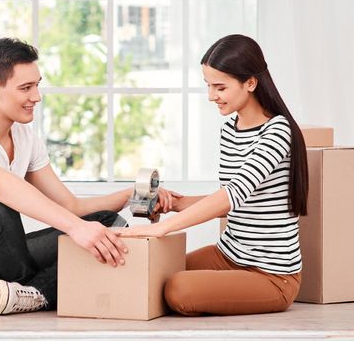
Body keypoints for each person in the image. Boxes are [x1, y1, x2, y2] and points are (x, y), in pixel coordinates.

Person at [0, 37, 174, 315]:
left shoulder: (25, 136)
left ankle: (34, 294)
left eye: (37, 86)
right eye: (26, 88)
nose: (36, 96)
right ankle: (45, 286)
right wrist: (75, 228)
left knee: (106, 223)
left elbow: (71, 207)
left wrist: (131, 196)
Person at [118, 34, 308, 316]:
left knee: (177, 289)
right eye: (208, 85)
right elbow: (231, 200)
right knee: (151, 272)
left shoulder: (277, 131)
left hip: (271, 275)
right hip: (228, 254)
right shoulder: (230, 129)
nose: (211, 96)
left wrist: (162, 228)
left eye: (220, 87)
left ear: (251, 83)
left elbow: (231, 196)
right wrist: (175, 203)